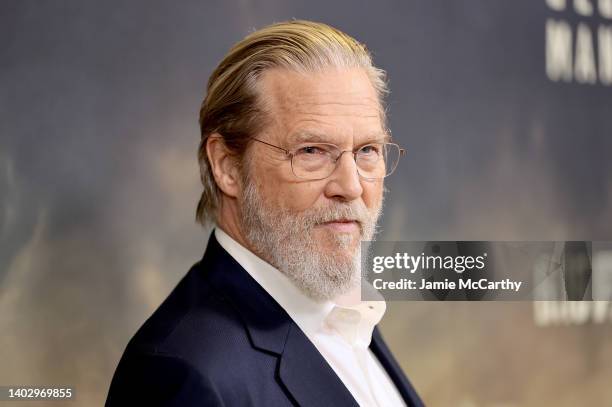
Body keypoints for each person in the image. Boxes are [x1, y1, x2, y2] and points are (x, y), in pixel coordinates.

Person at [106, 20, 424, 407]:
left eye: (367, 151)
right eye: (312, 151)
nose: (352, 186)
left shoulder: (348, 317)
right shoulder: (181, 374)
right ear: (226, 166)